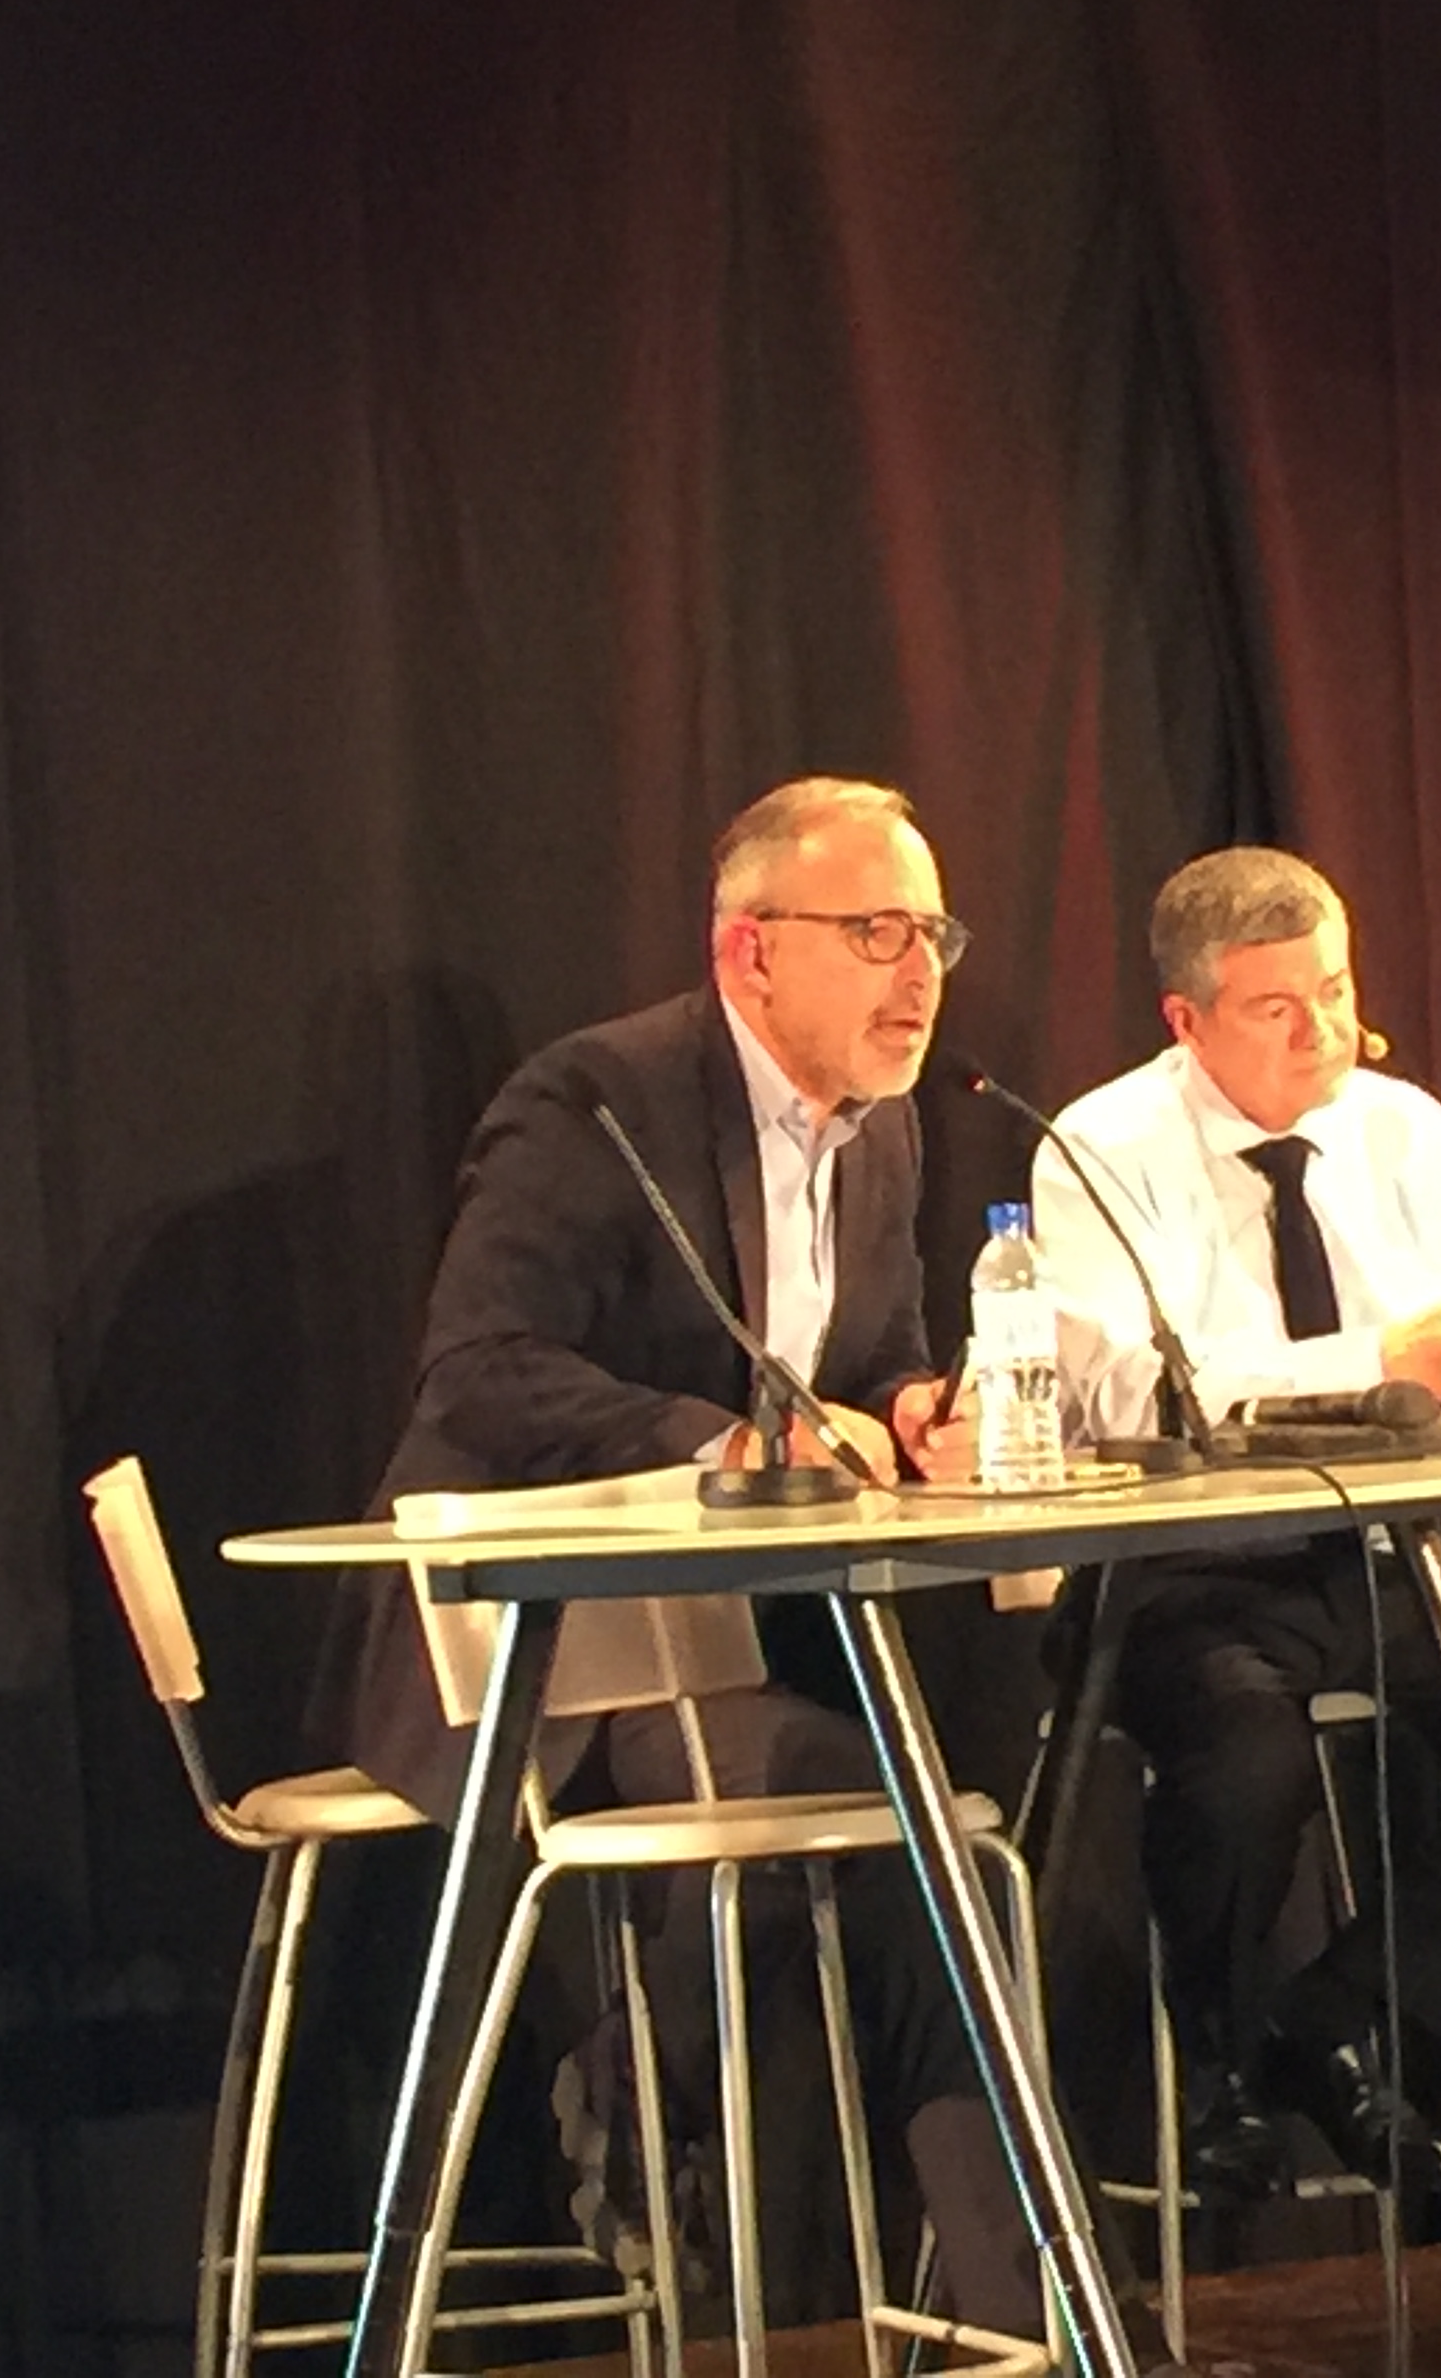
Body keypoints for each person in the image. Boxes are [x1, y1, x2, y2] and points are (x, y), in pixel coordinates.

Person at [314, 776, 1040, 2334]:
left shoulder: (886, 1131)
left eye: (934, 935)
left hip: (723, 1640)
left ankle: (1019, 2320)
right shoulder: (598, 1102)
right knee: (863, 1821)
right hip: (524, 1645)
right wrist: (721, 1444)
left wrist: (922, 1408)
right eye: (878, 932)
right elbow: (477, 1371)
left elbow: (874, 1353)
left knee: (946, 1827)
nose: (920, 973)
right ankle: (704, 2205)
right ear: (749, 950)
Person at [1029, 843, 1441, 2201]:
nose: (1322, 1029)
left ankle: (1344, 2017)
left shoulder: (1403, 1130)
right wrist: (1379, 1363)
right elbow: (1132, 1394)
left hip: (1396, 1560)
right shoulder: (1099, 1147)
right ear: (1188, 1020)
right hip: (1189, 1574)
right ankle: (1214, 2073)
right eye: (1277, 1007)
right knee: (1245, 1763)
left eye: (1335, 990)